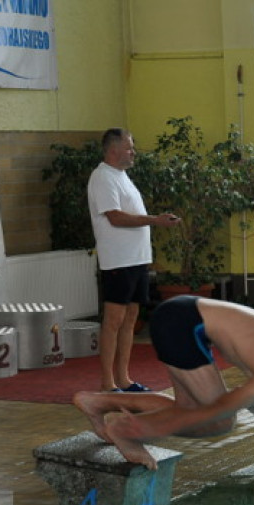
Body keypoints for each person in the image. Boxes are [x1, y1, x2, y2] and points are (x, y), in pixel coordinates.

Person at [73, 296, 254, 470]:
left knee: (187, 407)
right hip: (183, 325)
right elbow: (220, 408)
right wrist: (149, 429)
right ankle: (125, 431)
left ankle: (95, 402)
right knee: (221, 422)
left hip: (185, 316)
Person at [87, 128, 181, 392]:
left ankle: (124, 378)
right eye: (129, 148)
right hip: (118, 260)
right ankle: (108, 382)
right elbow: (115, 217)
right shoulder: (102, 177)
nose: (133, 152)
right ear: (114, 150)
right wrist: (155, 220)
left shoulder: (122, 176)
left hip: (136, 258)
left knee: (131, 319)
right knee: (114, 320)